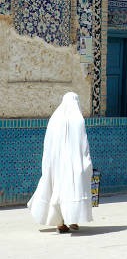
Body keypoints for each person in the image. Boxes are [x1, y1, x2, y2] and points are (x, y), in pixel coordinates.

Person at [27, 92, 93, 233]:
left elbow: (48, 144)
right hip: (74, 163)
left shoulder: (54, 119)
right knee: (73, 190)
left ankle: (61, 223)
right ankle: (72, 220)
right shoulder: (78, 119)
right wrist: (86, 161)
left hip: (56, 163)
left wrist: (48, 163)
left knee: (56, 189)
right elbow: (83, 144)